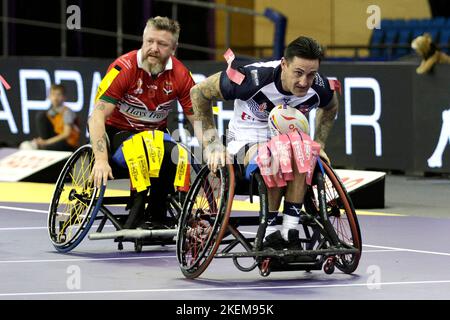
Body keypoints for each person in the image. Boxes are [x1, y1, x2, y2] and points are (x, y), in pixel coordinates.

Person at [190, 36, 339, 250]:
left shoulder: (320, 85)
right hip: (244, 142)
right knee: (276, 153)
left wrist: (320, 144)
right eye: (298, 73)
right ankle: (269, 233)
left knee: (302, 150)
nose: (304, 82)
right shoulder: (251, 78)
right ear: (284, 64)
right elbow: (198, 93)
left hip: (290, 142)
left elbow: (331, 106)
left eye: (311, 74)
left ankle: (289, 230)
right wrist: (212, 145)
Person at [88, 16, 196, 229]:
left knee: (177, 154)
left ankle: (156, 215)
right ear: (143, 40)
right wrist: (100, 159)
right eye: (149, 41)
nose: (154, 49)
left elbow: (199, 119)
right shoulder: (123, 68)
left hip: (155, 135)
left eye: (162, 44)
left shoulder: (181, 75)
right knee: (144, 151)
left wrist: (212, 149)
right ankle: (137, 210)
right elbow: (96, 117)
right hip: (119, 133)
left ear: (173, 48)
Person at [21, 84, 80, 151]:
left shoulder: (67, 112)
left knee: (46, 148)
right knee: (41, 116)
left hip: (68, 143)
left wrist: (47, 142)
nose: (55, 97)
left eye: (58, 94)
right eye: (53, 94)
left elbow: (66, 134)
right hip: (56, 138)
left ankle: (41, 145)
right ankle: (40, 143)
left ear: (64, 97)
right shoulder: (50, 112)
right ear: (49, 97)